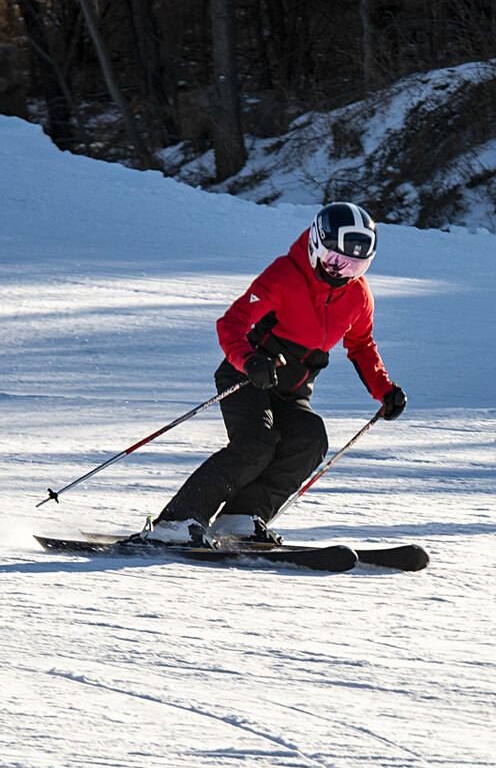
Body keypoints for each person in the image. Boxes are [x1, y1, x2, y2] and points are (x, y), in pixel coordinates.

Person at [142, 202, 406, 547]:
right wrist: (249, 359)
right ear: (315, 245)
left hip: (293, 390)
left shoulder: (357, 295)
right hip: (248, 377)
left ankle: (241, 517)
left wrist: (384, 389)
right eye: (334, 260)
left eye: (355, 264)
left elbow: (361, 345)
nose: (342, 271)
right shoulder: (286, 275)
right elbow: (232, 323)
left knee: (310, 439)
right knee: (255, 445)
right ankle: (176, 522)